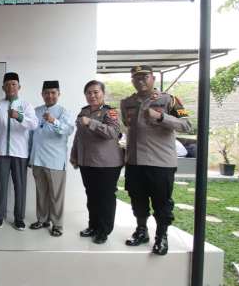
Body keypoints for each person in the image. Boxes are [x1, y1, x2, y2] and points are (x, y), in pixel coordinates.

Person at [120, 65, 192, 255]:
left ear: (153, 78)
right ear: (132, 81)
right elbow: (128, 125)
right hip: (135, 162)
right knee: (137, 200)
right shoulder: (127, 103)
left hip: (160, 163)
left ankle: (161, 236)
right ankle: (141, 231)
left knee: (161, 202)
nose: (140, 81)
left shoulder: (170, 100)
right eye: (136, 77)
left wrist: (161, 117)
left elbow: (187, 124)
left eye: (145, 77)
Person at [70, 80, 124, 244]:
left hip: (107, 164)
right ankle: (93, 226)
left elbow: (113, 132)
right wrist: (74, 154)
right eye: (89, 93)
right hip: (87, 162)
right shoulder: (83, 111)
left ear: (103, 93)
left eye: (96, 92)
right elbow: (79, 136)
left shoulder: (110, 112)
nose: (92, 95)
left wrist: (91, 122)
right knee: (92, 196)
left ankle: (104, 230)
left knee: (105, 198)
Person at [0, 72, 39, 230]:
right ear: (3, 87)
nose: (10, 87)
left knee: (20, 186)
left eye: (14, 84)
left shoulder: (26, 105)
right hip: (1, 152)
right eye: (7, 84)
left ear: (19, 87)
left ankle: (19, 218)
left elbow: (34, 124)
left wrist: (19, 116)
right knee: (0, 186)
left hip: (20, 153)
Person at [28, 80, 75, 237]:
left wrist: (54, 121)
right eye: (46, 93)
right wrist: (30, 156)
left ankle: (57, 224)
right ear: (42, 94)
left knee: (56, 195)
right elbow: (31, 135)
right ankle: (42, 219)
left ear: (58, 94)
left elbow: (68, 130)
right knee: (41, 193)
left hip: (55, 160)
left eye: (53, 92)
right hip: (37, 159)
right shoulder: (36, 111)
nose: (50, 95)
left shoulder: (64, 112)